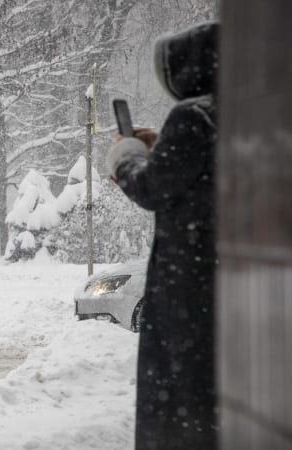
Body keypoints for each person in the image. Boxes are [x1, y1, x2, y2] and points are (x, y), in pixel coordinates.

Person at [105, 22, 219, 450]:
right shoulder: (244, 112)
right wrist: (162, 145)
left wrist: (126, 155)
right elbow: (193, 172)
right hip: (226, 275)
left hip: (190, 282)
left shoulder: (193, 116)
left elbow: (151, 187)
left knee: (179, 390)